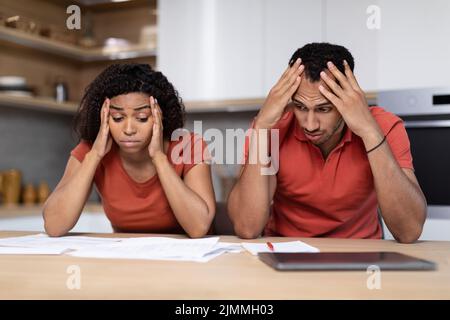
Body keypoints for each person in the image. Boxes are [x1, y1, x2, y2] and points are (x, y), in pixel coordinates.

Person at [227, 43, 427, 243]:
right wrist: (261, 126)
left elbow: (408, 231)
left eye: (324, 109)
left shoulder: (383, 126)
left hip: (361, 256)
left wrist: (369, 131)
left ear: (349, 99)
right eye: (300, 107)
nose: (310, 124)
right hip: (285, 253)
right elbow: (247, 227)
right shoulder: (271, 128)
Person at [43, 64, 216, 238]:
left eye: (142, 118)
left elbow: (198, 227)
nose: (128, 129)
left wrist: (159, 158)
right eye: (117, 118)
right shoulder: (91, 151)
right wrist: (94, 156)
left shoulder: (189, 146)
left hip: (187, 260)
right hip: (128, 259)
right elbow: (54, 226)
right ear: (104, 117)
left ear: (159, 115)